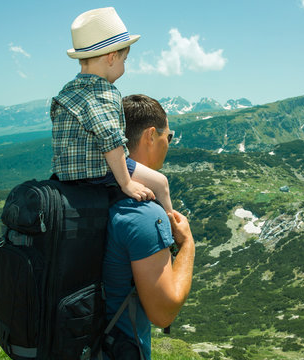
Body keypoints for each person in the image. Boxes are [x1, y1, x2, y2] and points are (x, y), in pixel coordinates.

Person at [50, 7, 173, 212]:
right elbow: (110, 139)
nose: (124, 66)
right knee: (161, 183)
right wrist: (126, 183)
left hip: (66, 176)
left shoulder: (67, 91)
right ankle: (172, 232)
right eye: (124, 60)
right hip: (98, 171)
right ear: (111, 57)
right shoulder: (103, 92)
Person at [102, 94, 195, 359]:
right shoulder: (142, 212)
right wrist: (187, 245)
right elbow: (164, 313)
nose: (169, 143)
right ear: (150, 136)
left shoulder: (94, 186)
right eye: (170, 136)